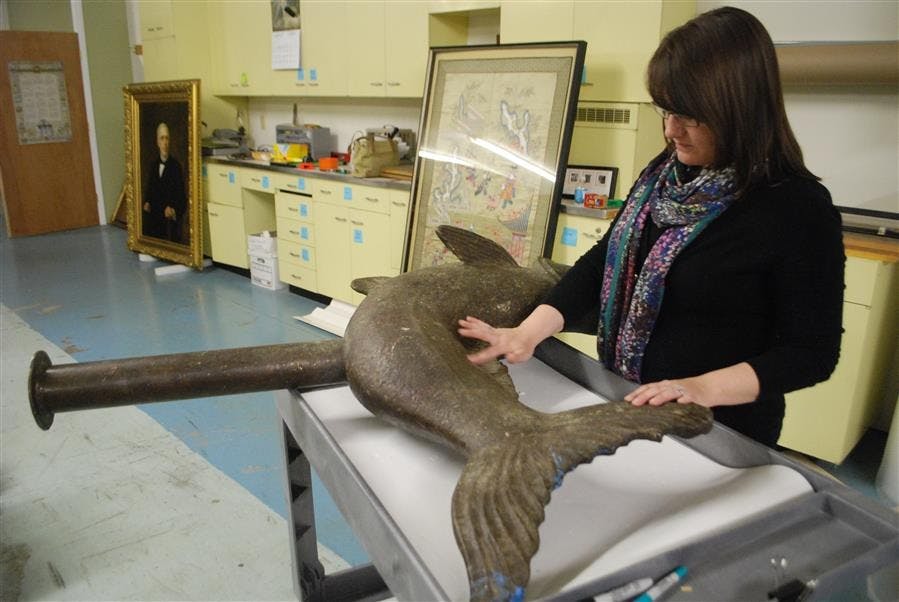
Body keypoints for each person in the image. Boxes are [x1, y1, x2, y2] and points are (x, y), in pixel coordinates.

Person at [458, 6, 845, 447]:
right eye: (665, 110)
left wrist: (699, 388)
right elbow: (604, 258)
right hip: (631, 404)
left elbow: (811, 353)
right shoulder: (664, 175)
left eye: (690, 116)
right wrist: (528, 331)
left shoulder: (796, 208)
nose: (671, 130)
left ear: (740, 108)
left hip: (719, 432)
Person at [143, 122, 186, 243]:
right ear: (157, 142)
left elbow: (182, 197)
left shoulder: (176, 166)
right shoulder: (153, 166)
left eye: (167, 138)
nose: (165, 142)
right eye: (162, 138)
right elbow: (150, 192)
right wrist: (147, 202)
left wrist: (173, 210)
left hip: (170, 225)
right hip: (155, 220)